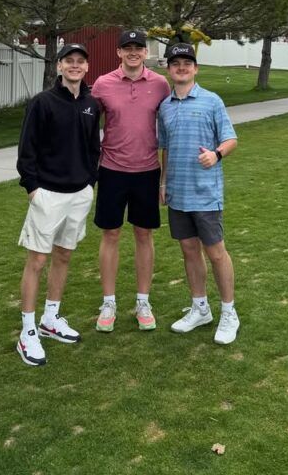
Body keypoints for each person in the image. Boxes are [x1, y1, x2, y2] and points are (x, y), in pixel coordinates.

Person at [15, 43, 100, 367]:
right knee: (37, 260)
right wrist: (33, 189)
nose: (75, 66)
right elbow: (27, 151)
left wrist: (89, 182)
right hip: (47, 194)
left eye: (81, 61)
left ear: (86, 67)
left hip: (79, 193)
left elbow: (94, 148)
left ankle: (50, 318)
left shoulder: (92, 104)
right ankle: (27, 330)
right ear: (60, 66)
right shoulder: (42, 103)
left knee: (64, 255)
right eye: (69, 61)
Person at [158, 43, 240, 344]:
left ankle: (229, 312)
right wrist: (163, 183)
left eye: (187, 63)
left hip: (205, 192)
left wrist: (216, 155)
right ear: (168, 69)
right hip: (177, 194)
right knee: (189, 250)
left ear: (196, 68)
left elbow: (231, 139)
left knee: (216, 252)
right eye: (176, 63)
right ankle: (200, 307)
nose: (181, 67)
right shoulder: (165, 107)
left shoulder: (212, 101)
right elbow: (165, 148)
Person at [91, 29, 171, 332]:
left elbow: (170, 127)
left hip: (147, 171)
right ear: (119, 53)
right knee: (110, 234)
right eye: (128, 48)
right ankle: (108, 302)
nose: (134, 52)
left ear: (146, 52)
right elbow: (85, 122)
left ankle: (142, 301)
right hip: (111, 170)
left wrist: (165, 179)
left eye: (139, 47)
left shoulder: (160, 84)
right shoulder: (103, 84)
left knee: (143, 235)